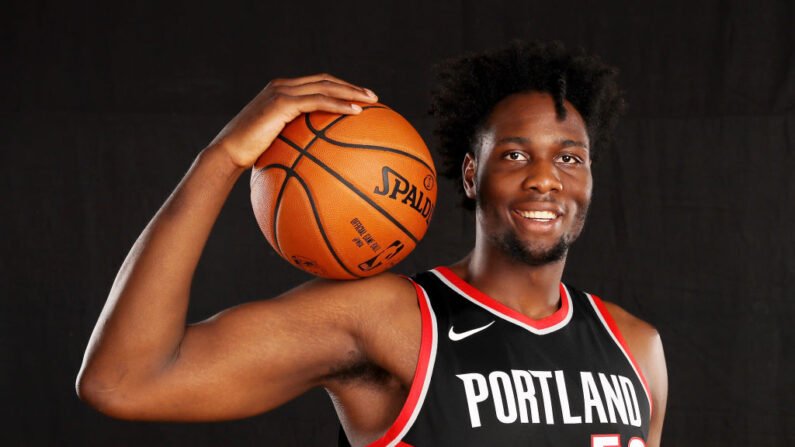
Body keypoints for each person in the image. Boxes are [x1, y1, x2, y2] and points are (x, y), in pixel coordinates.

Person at [76, 41, 667, 447]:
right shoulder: (386, 319)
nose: (545, 177)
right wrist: (224, 159)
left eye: (570, 158)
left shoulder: (635, 347)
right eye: (514, 154)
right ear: (469, 176)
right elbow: (122, 380)